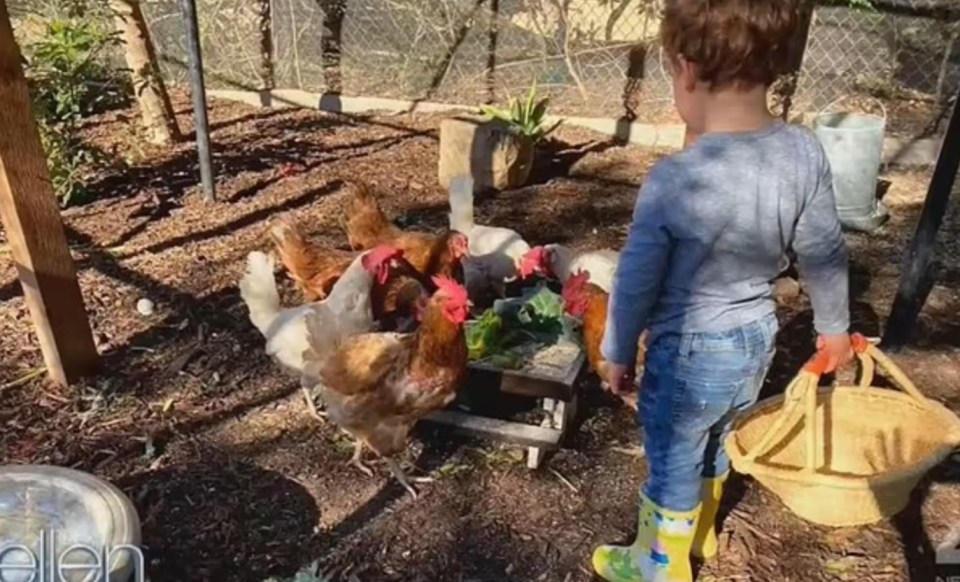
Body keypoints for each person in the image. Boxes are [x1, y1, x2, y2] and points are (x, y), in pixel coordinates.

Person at [591, 1, 855, 581]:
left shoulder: (677, 179)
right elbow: (824, 250)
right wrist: (833, 328)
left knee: (672, 457)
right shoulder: (803, 152)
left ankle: (658, 564)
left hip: (690, 348)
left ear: (686, 71)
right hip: (755, 339)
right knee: (717, 441)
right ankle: (699, 537)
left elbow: (636, 278)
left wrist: (615, 350)